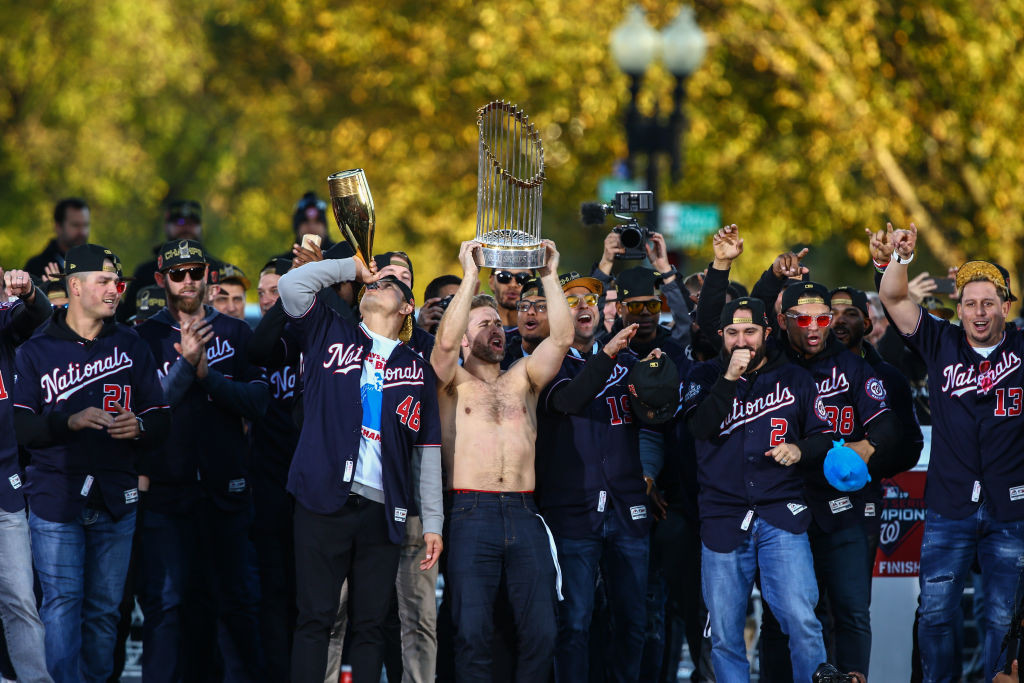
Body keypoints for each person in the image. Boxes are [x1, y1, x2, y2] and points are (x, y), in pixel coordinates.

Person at [277, 249, 443, 683]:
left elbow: (426, 450)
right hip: (320, 499)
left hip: (382, 509)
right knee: (315, 618)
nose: (378, 284)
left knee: (370, 625)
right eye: (374, 282)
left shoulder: (417, 367)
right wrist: (350, 267)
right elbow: (291, 286)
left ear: (408, 306)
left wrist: (434, 524)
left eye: (391, 284)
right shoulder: (328, 330)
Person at [13, 244, 170, 683]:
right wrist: (70, 420)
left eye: (116, 282)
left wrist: (139, 425)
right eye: (103, 281)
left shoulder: (131, 344)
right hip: (56, 496)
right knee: (61, 606)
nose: (113, 289)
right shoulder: (37, 348)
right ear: (75, 286)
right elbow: (22, 426)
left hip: (116, 496)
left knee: (104, 613)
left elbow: (161, 416)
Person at [880, 222, 1024, 682]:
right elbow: (896, 300)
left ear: (1005, 306)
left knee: (1002, 620)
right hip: (949, 505)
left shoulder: (1023, 346)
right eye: (970, 304)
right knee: (937, 616)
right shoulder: (940, 340)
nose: (979, 312)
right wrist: (901, 259)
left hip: (1011, 507)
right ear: (956, 308)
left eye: (988, 303)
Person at [430, 239, 573, 682]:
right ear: (467, 335)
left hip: (525, 511)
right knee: (472, 633)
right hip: (471, 512)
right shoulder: (451, 382)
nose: (495, 328)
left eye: (497, 321)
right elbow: (445, 343)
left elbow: (563, 337)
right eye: (483, 323)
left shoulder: (523, 377)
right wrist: (470, 276)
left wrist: (550, 273)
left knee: (543, 632)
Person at [134, 239, 269, 682]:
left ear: (208, 275)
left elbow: (259, 401)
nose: (188, 281)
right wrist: (184, 367)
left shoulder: (236, 332)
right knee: (169, 606)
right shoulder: (143, 337)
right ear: (161, 280)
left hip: (226, 488)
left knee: (235, 603)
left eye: (196, 271)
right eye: (178, 274)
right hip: (165, 493)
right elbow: (144, 409)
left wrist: (208, 378)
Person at [683, 295, 831, 683]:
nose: (742, 340)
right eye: (732, 332)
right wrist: (729, 378)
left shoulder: (796, 378)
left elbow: (824, 438)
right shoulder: (702, 377)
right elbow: (698, 429)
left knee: (802, 619)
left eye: (750, 331)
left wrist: (798, 449)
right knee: (726, 635)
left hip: (780, 513)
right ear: (721, 336)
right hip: (722, 516)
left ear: (767, 331)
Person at [536, 270, 662, 682]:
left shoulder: (629, 362)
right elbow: (571, 400)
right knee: (574, 621)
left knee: (633, 620)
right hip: (573, 511)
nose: (583, 306)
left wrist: (658, 384)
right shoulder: (545, 364)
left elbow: (658, 418)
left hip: (626, 508)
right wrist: (607, 355)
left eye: (590, 299)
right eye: (570, 300)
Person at [0, 269, 53, 683]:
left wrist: (30, 291)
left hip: (3, 484)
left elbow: (37, 316)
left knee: (20, 598)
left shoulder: (3, 319)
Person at [119, 200, 204, 322]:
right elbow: (128, 317)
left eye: (192, 224)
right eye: (180, 222)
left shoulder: (214, 267)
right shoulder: (145, 272)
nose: (186, 228)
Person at [24, 198, 91, 282]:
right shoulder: (36, 267)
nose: (82, 232)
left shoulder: (97, 262)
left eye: (85, 225)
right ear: (58, 226)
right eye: (75, 225)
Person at [502, 276, 549, 368]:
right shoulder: (500, 359)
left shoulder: (575, 364)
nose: (530, 312)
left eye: (541, 306)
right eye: (524, 306)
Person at [488, 268, 532, 332]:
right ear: (492, 282)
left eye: (523, 278)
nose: (513, 285)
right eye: (504, 277)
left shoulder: (546, 330)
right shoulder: (473, 326)